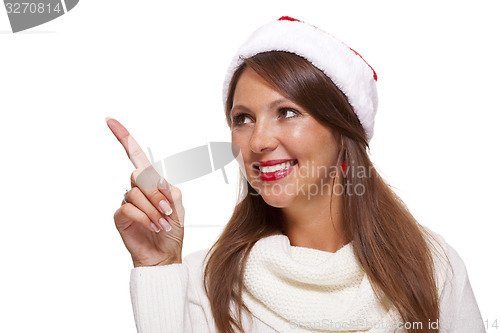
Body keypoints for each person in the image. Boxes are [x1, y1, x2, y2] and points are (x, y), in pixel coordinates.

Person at [106, 16, 485, 333]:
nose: (258, 140)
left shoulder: (432, 266)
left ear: (342, 131)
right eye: (243, 119)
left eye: (286, 112)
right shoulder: (204, 281)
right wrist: (157, 270)